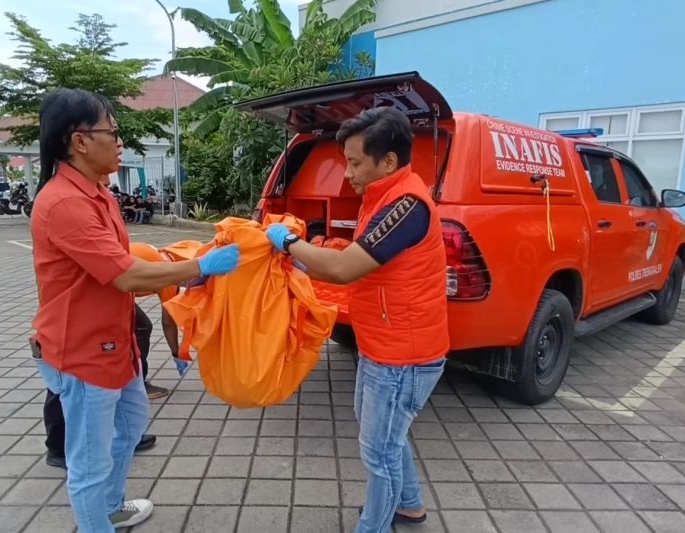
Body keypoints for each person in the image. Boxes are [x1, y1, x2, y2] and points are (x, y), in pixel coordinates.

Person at [30, 87, 239, 532]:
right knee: (87, 460)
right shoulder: (65, 202)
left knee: (131, 422)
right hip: (82, 352)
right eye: (113, 131)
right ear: (79, 140)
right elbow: (125, 274)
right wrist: (200, 265)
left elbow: (123, 261)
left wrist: (181, 268)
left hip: (115, 343)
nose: (120, 140)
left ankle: (111, 506)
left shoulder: (97, 193)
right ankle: (97, 521)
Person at [266, 107, 449, 533]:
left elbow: (345, 268)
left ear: (387, 161)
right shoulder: (384, 196)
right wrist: (314, 247)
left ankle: (375, 525)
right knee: (386, 436)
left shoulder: (407, 206)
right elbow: (361, 255)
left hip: (404, 354)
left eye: (354, 162)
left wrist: (291, 243)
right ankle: (409, 504)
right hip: (383, 344)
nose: (346, 172)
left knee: (378, 449)